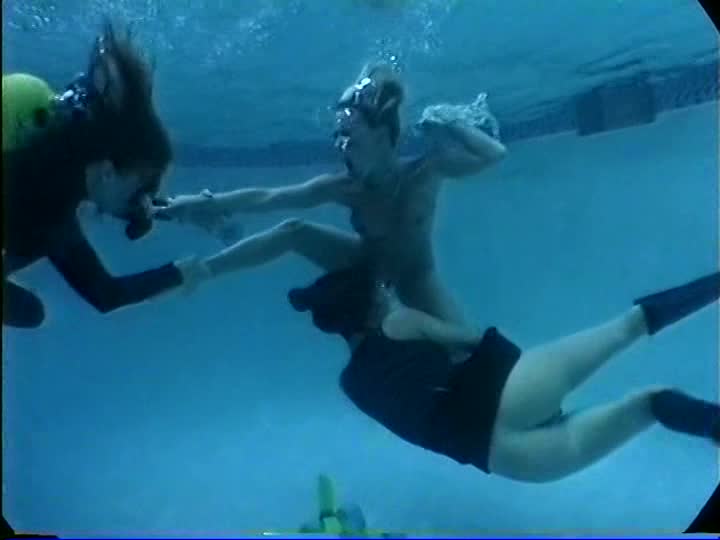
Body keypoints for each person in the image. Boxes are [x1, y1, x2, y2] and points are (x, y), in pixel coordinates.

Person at [287, 263, 720, 483]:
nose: (390, 290)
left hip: (510, 459)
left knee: (651, 404)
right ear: (371, 305)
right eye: (383, 289)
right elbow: (471, 339)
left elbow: (414, 407)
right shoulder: (399, 322)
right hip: (508, 397)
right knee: (629, 327)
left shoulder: (352, 386)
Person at [152, 62, 507, 325]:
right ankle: (203, 271)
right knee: (294, 231)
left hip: (415, 276)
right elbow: (268, 197)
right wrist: (200, 203)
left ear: (381, 133)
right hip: (365, 264)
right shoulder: (345, 187)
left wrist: (451, 122)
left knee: (465, 349)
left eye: (348, 136)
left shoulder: (424, 173)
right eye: (338, 137)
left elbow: (494, 154)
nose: (341, 146)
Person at [2, 22, 209, 329]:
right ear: (110, 171)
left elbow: (121, 201)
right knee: (31, 309)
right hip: (28, 221)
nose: (141, 199)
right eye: (140, 190)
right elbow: (106, 295)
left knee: (31, 301)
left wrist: (162, 211)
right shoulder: (48, 210)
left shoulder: (66, 152)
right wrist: (179, 272)